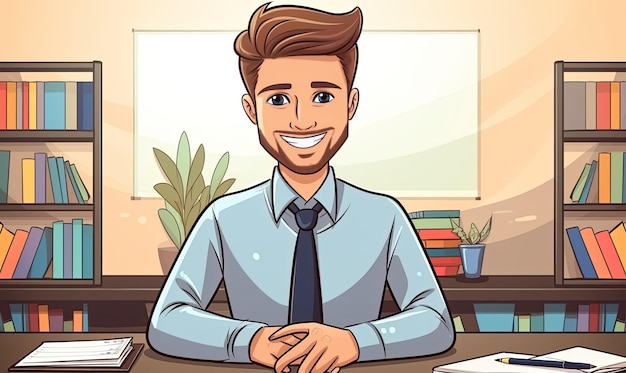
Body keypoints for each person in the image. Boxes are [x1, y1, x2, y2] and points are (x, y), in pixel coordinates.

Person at [147, 3, 455, 373]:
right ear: (251, 109)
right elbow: (167, 319)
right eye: (278, 99)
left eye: (323, 97)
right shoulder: (223, 219)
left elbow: (435, 320)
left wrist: (356, 342)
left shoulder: (384, 217)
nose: (302, 120)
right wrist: (252, 341)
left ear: (350, 104)